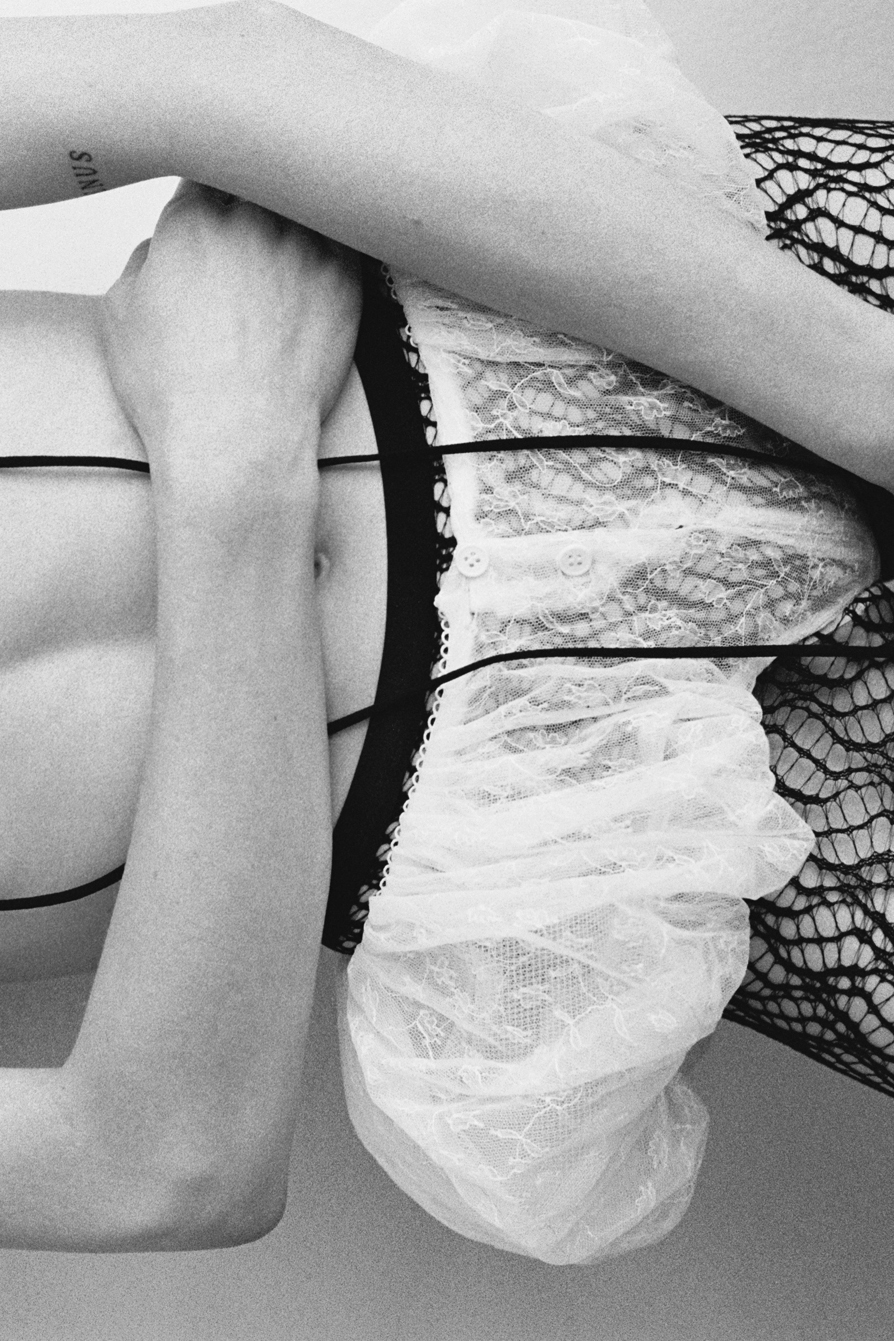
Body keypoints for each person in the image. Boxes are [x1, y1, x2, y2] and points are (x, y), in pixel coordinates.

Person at [0, 0, 892, 1260]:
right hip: (628, 806)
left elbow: (185, 80)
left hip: (630, 309)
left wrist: (877, 400)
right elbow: (157, 1166)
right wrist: (234, 471)